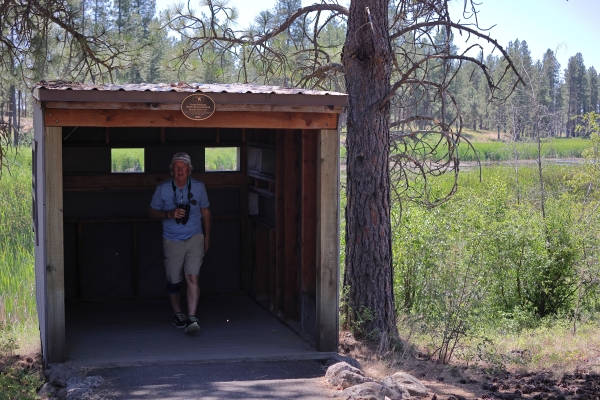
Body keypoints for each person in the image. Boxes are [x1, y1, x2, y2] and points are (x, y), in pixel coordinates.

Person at [149, 152, 211, 333]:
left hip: (195, 236)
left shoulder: (199, 186)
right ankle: (178, 314)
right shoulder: (163, 188)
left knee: (193, 277)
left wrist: (207, 237)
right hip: (172, 238)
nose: (180, 170)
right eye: (176, 167)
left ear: (190, 170)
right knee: (174, 280)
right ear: (172, 170)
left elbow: (206, 212)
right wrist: (169, 214)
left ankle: (192, 317)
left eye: (183, 167)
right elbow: (151, 212)